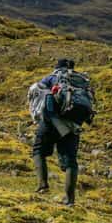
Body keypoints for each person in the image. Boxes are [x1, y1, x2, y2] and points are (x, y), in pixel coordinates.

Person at [28, 58, 85, 206]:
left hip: (51, 122)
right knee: (70, 161)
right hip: (73, 125)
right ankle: (70, 199)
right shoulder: (81, 81)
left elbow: (36, 91)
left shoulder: (51, 78)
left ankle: (42, 185)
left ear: (57, 67)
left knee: (38, 151)